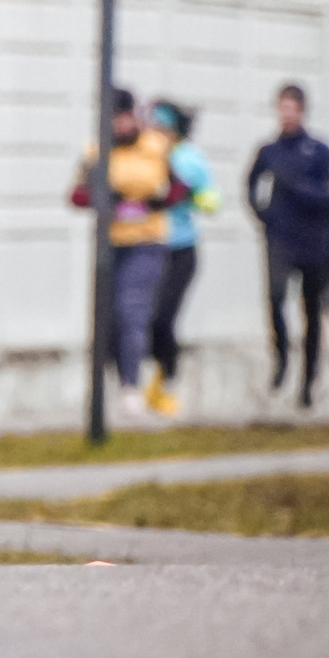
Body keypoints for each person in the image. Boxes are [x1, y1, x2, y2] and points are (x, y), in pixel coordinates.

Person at [70, 88, 185, 421]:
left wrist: (156, 202)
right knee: (108, 319)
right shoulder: (97, 151)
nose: (120, 124)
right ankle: (111, 384)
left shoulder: (156, 146)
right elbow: (77, 195)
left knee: (132, 309)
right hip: (112, 243)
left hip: (147, 241)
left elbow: (179, 188)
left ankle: (131, 386)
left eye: (125, 117)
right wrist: (106, 200)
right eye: (114, 118)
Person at [246, 83, 329, 408]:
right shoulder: (269, 151)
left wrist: (301, 190)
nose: (286, 115)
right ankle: (282, 357)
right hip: (280, 239)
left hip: (313, 241)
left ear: (301, 111)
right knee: (275, 297)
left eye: (291, 109)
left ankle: (308, 382)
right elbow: (251, 182)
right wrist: (263, 214)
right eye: (282, 109)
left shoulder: (319, 151)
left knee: (311, 311)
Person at [144, 100, 218, 418]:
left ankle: (167, 381)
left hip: (181, 251)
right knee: (144, 319)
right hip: (149, 247)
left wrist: (190, 195)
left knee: (163, 317)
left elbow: (212, 201)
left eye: (161, 126)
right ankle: (153, 379)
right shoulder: (147, 154)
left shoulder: (190, 159)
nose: (156, 132)